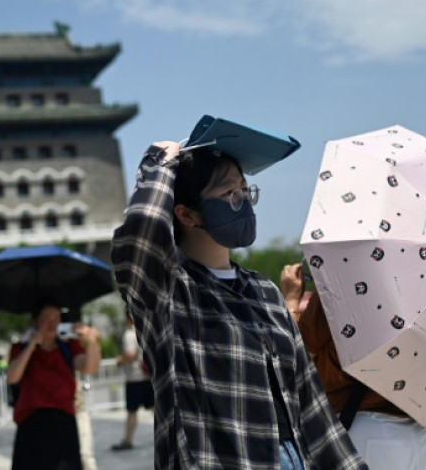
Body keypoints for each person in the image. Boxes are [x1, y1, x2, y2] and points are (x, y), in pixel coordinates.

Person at [112, 140, 365, 469]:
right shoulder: (169, 290)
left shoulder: (264, 290)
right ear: (187, 214)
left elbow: (308, 396)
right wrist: (159, 164)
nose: (243, 201)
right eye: (229, 193)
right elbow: (140, 233)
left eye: (246, 191)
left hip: (293, 457)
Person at [282, 275, 426, 469]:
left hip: (364, 430)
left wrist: (291, 301)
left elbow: (294, 354)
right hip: (417, 434)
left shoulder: (341, 281)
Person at [7, 301, 101, 470]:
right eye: (46, 318)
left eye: (56, 317)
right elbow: (13, 377)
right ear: (35, 322)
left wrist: (92, 342)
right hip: (32, 423)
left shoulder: (68, 347)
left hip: (63, 421)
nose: (52, 322)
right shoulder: (20, 348)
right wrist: (31, 346)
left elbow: (89, 368)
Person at [111, 315, 153, 451]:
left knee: (132, 412)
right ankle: (172, 432)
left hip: (135, 378)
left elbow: (130, 354)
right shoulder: (145, 330)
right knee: (155, 409)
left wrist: (120, 360)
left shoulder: (129, 334)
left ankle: (127, 440)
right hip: (147, 376)